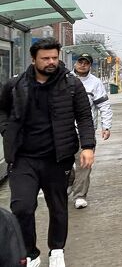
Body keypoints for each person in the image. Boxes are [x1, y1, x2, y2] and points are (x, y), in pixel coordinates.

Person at [0, 38, 96, 267]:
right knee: (22, 206)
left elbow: (84, 117)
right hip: (23, 159)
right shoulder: (15, 85)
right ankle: (31, 253)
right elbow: (2, 110)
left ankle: (56, 250)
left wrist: (88, 147)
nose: (51, 62)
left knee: (58, 207)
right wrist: (6, 130)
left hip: (57, 158)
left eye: (55, 57)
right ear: (33, 59)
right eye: (45, 58)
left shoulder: (72, 85)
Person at [69, 53, 112, 210]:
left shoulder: (95, 83)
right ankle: (70, 181)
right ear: (75, 63)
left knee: (84, 164)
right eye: (80, 61)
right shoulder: (65, 79)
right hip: (64, 131)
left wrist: (106, 126)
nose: (82, 65)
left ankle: (80, 195)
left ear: (90, 66)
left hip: (85, 130)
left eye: (86, 63)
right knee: (65, 164)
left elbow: (104, 106)